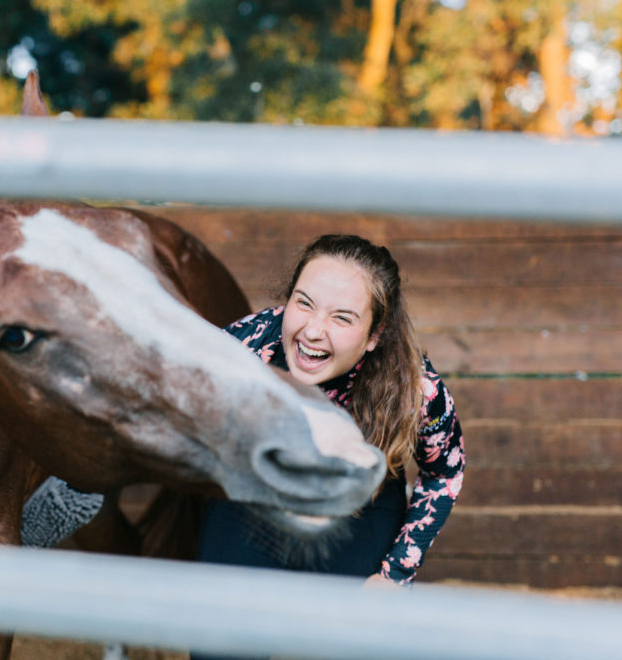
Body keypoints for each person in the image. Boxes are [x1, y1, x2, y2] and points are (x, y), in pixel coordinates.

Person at [194, 233, 465, 596]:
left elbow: (445, 473)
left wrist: (395, 575)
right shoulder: (243, 347)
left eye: (342, 318)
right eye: (304, 303)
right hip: (257, 498)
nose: (313, 331)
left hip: (358, 507)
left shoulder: (417, 389)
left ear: (375, 334)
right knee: (219, 643)